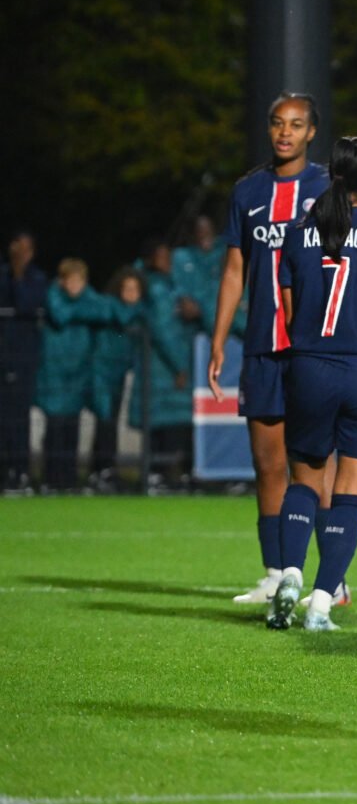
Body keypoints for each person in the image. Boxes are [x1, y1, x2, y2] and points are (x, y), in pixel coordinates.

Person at [265, 136, 357, 632]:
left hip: (311, 367)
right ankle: (322, 604)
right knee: (351, 491)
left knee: (305, 482)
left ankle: (289, 573)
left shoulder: (296, 234)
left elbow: (288, 314)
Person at [209, 93, 329, 603]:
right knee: (267, 464)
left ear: (311, 133)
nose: (285, 132)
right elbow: (235, 269)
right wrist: (219, 339)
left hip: (311, 347)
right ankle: (276, 572)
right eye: (278, 123)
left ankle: (330, 577)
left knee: (313, 464)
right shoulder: (248, 192)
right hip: (262, 343)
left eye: (296, 125)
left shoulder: (327, 187)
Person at [35, 259, 109, 490]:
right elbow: (60, 315)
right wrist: (83, 312)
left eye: (80, 280)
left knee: (72, 428)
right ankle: (51, 478)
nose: (76, 285)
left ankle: (68, 479)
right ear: (62, 280)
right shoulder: (53, 295)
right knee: (55, 428)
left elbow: (105, 311)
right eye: (71, 280)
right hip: (54, 372)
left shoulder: (88, 297)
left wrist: (78, 310)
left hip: (78, 373)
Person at [131, 239, 196, 489]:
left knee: (166, 421)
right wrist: (179, 366)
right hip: (162, 366)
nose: (167, 262)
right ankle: (160, 474)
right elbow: (162, 331)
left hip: (164, 365)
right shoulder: (157, 290)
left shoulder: (168, 286)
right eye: (161, 257)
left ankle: (161, 474)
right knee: (165, 422)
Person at [89, 267, 144, 490]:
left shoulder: (132, 313)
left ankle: (107, 469)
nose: (131, 294)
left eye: (136, 290)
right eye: (127, 288)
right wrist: (140, 306)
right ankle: (101, 469)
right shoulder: (115, 307)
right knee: (105, 420)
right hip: (103, 371)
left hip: (118, 372)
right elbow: (123, 316)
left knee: (111, 420)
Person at [0, 231, 47, 490]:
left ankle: (19, 471)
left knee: (18, 418)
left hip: (21, 358)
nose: (20, 254)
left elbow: (26, 305)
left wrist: (18, 274)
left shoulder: (36, 278)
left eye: (25, 249)